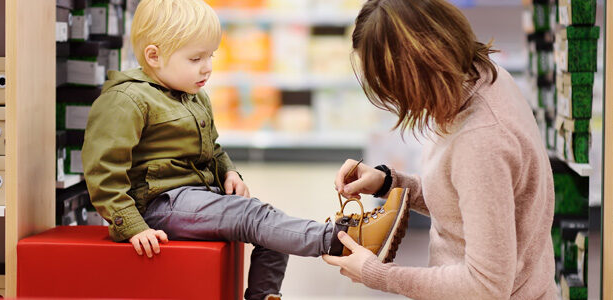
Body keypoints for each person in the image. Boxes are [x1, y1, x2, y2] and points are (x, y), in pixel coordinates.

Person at [81, 1, 412, 299]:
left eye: (210, 55)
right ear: (154, 56)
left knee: (270, 227)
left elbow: (211, 148)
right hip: (156, 205)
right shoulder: (127, 100)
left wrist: (229, 172)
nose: (207, 67)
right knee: (254, 217)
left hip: (194, 196)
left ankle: (264, 295)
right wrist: (132, 226)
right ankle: (343, 238)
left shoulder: (194, 95)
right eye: (195, 58)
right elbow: (102, 171)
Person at [322, 0, 557, 299]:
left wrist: (377, 274)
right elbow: (466, 201)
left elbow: (486, 286)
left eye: (392, 85)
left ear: (417, 69)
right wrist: (389, 182)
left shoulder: (481, 139)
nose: (396, 98)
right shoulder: (480, 78)